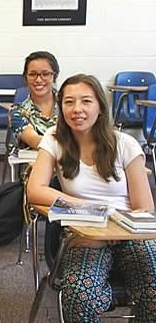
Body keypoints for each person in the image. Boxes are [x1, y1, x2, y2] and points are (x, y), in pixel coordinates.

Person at [27, 74, 156, 322]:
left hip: (129, 234)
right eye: (68, 102)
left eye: (86, 101)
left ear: (100, 107)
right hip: (85, 233)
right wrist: (89, 210)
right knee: (79, 295)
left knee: (153, 286)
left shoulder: (126, 144)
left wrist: (107, 234)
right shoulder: (54, 139)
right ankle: (104, 296)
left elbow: (144, 209)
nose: (77, 110)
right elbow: (35, 190)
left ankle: (114, 295)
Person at [10, 51, 60, 149]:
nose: (38, 80)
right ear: (25, 77)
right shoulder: (18, 112)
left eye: (45, 74)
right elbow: (37, 142)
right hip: (35, 161)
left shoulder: (68, 104)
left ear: (55, 76)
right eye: (32, 74)